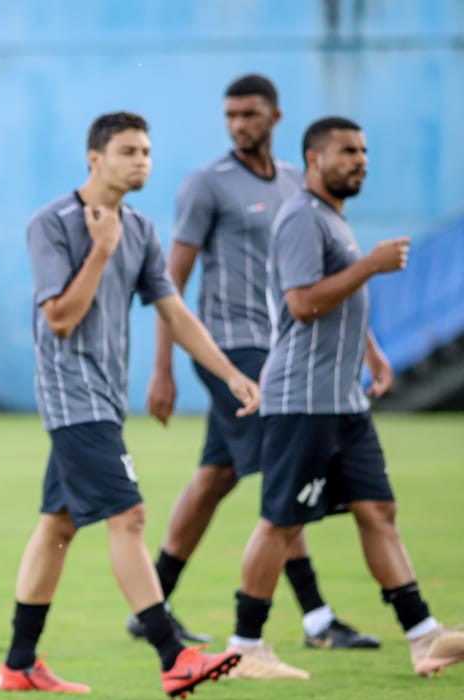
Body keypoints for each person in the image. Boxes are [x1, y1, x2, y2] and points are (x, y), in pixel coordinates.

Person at [0, 112, 253, 700]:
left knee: (59, 525)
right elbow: (59, 319)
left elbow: (175, 312)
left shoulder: (139, 227)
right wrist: (102, 249)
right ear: (96, 158)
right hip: (72, 397)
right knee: (129, 517)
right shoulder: (52, 224)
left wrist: (230, 374)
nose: (143, 161)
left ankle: (18, 663)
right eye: (129, 151)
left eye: (146, 151)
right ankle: (172, 654)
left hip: (105, 400)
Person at [139, 74, 379, 655]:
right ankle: (317, 617)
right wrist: (164, 369)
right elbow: (170, 282)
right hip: (229, 352)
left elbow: (329, 273)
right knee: (283, 475)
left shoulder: (302, 184)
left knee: (219, 475)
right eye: (231, 115)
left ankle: (152, 601)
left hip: (285, 350)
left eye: (249, 114)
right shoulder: (207, 185)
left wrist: (368, 348)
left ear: (276, 117)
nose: (239, 124)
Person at [227, 116, 464, 679]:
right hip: (302, 401)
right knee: (281, 523)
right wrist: (371, 266)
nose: (359, 160)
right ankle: (244, 646)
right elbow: (304, 302)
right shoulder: (301, 220)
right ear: (314, 159)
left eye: (363, 151)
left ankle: (423, 636)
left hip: (343, 403)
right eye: (347, 152)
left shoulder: (334, 219)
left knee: (378, 510)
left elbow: (342, 304)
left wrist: (372, 353)